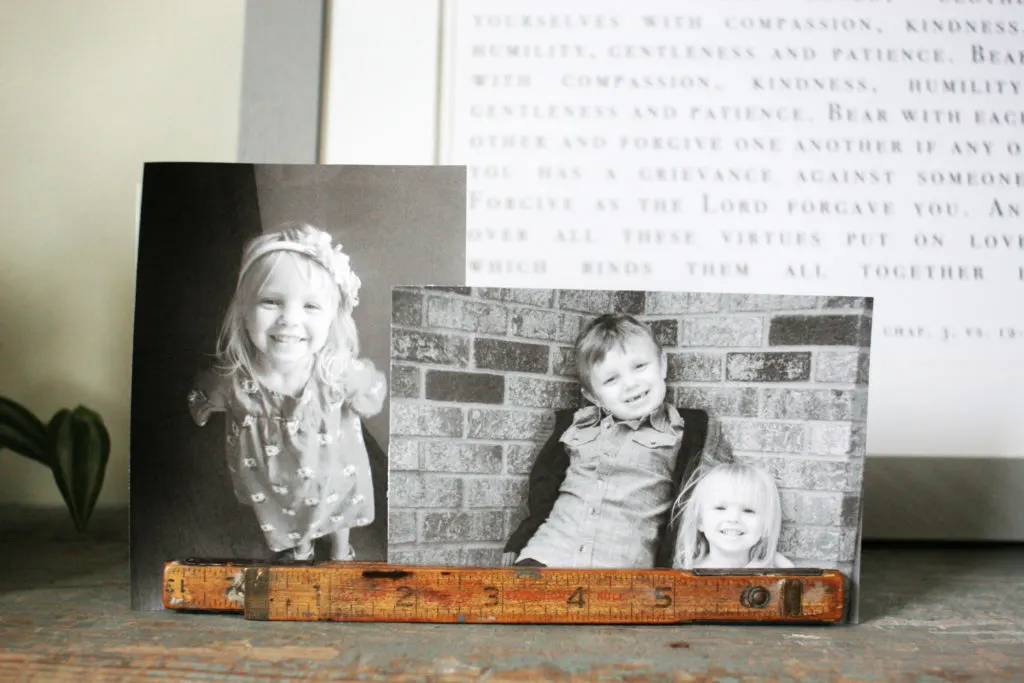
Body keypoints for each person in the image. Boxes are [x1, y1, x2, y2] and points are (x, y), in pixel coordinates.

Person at [187, 222, 386, 562]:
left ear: (332, 319)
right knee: (289, 510)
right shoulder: (235, 380)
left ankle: (340, 550)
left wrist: (366, 397)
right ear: (243, 312)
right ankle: (303, 545)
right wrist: (202, 408)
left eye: (310, 306)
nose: (289, 319)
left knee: (337, 505)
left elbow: (371, 392)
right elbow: (206, 393)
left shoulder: (336, 373)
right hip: (275, 477)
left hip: (334, 471)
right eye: (271, 302)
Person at [508, 312, 727, 568]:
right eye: (611, 379)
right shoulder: (575, 427)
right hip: (546, 556)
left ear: (663, 365)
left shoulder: (684, 432)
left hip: (619, 569)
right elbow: (543, 493)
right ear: (593, 396)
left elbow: (709, 505)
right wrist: (517, 544)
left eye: (639, 366)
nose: (631, 384)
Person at [673, 462, 795, 569]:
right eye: (720, 508)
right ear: (699, 520)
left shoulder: (778, 575)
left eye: (748, 510)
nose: (733, 518)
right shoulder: (687, 578)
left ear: (767, 525)